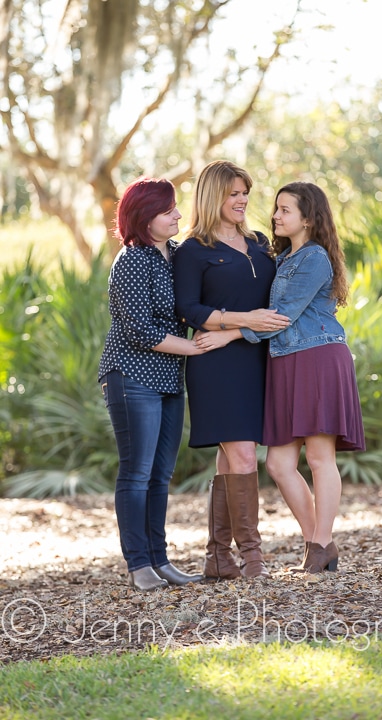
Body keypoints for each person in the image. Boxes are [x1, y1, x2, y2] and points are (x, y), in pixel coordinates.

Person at [195, 181, 365, 574]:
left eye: (284, 210)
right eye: (276, 209)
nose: (275, 216)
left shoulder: (314, 258)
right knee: (278, 464)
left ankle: (319, 544)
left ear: (308, 217)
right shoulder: (284, 257)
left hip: (318, 357)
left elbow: (281, 315)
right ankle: (319, 542)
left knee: (320, 457)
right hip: (286, 362)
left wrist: (228, 335)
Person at [173, 160, 290, 580]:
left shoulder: (261, 243)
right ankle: (253, 559)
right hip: (215, 363)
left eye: (245, 192)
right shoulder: (192, 250)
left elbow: (277, 306)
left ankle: (218, 558)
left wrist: (244, 328)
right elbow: (188, 309)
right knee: (240, 454)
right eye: (233, 193)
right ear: (212, 196)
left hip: (257, 357)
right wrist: (240, 319)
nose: (242, 200)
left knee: (233, 460)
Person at [98, 176, 209, 591]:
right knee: (137, 473)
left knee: (161, 474)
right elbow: (140, 331)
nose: (178, 214)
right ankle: (139, 565)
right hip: (131, 377)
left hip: (167, 379)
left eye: (176, 207)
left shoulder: (177, 255)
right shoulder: (131, 260)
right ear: (145, 217)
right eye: (168, 210)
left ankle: (161, 561)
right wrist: (195, 348)